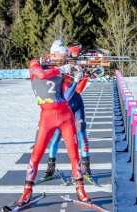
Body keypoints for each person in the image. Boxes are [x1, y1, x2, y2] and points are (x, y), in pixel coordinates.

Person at [18, 39, 91, 205]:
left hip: (65, 115)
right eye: (63, 55)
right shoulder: (36, 63)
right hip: (47, 116)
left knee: (74, 154)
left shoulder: (62, 71)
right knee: (36, 154)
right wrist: (61, 69)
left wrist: (77, 78)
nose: (65, 59)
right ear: (53, 54)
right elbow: (41, 75)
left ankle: (80, 189)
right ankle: (27, 191)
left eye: (66, 57)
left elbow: (67, 95)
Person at [43, 44, 92, 178]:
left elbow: (78, 90)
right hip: (63, 105)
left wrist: (84, 76)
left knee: (81, 133)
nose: (75, 56)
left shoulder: (74, 65)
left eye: (77, 54)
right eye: (72, 54)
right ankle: (50, 166)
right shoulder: (55, 66)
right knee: (57, 135)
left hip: (76, 103)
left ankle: (86, 166)